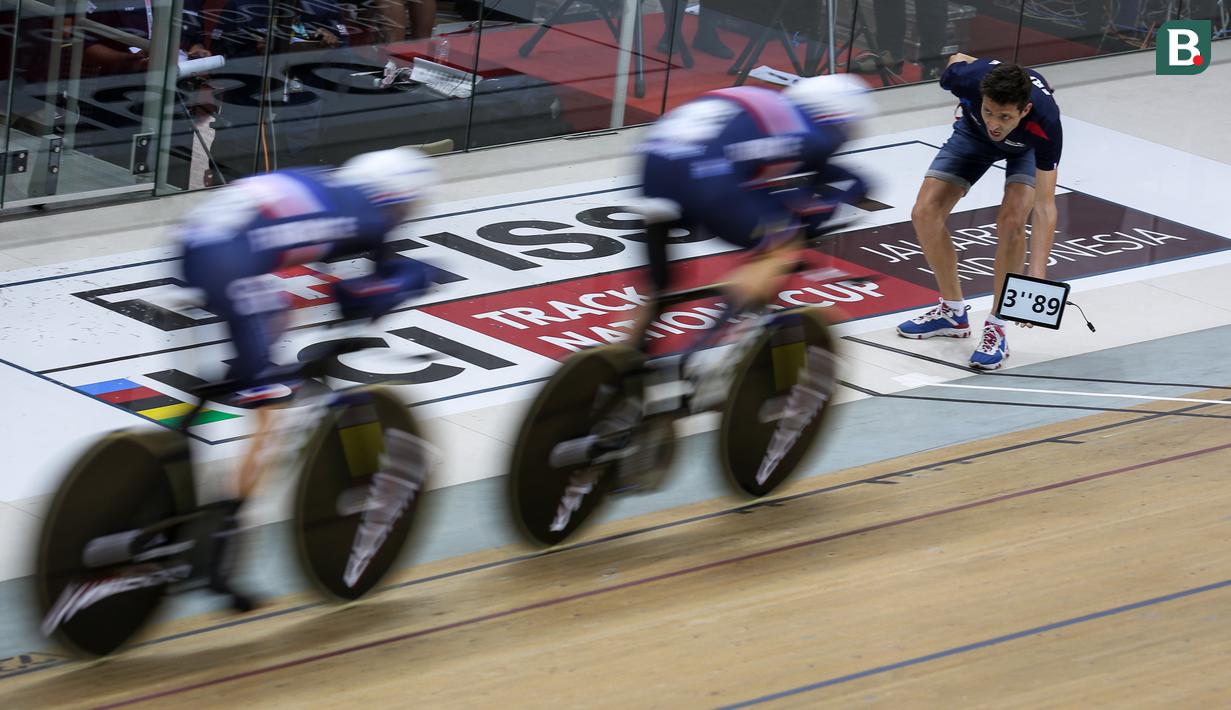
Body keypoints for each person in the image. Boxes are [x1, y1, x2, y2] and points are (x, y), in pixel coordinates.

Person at [177, 147, 435, 501]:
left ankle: (227, 394)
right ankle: (231, 515)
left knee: (277, 316)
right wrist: (415, 279)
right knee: (273, 399)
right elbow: (360, 295)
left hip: (200, 248)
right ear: (391, 197)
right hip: (225, 265)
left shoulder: (334, 187)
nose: (404, 219)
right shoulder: (369, 216)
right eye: (406, 209)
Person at [635, 74, 876, 334]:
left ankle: (633, 341)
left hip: (654, 163)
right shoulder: (815, 135)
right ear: (839, 118)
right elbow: (801, 197)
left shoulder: (777, 107)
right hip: (706, 175)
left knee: (659, 283)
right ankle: (725, 337)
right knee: (784, 241)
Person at [895, 54, 1063, 370]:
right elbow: (958, 58)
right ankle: (952, 313)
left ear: (1024, 110)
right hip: (973, 135)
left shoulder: (1046, 122)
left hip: (1026, 148)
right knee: (924, 213)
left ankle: (997, 327)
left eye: (1004, 116)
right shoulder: (968, 79)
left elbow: (1044, 207)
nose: (995, 124)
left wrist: (1037, 277)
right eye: (989, 111)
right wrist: (979, 110)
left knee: (1012, 221)